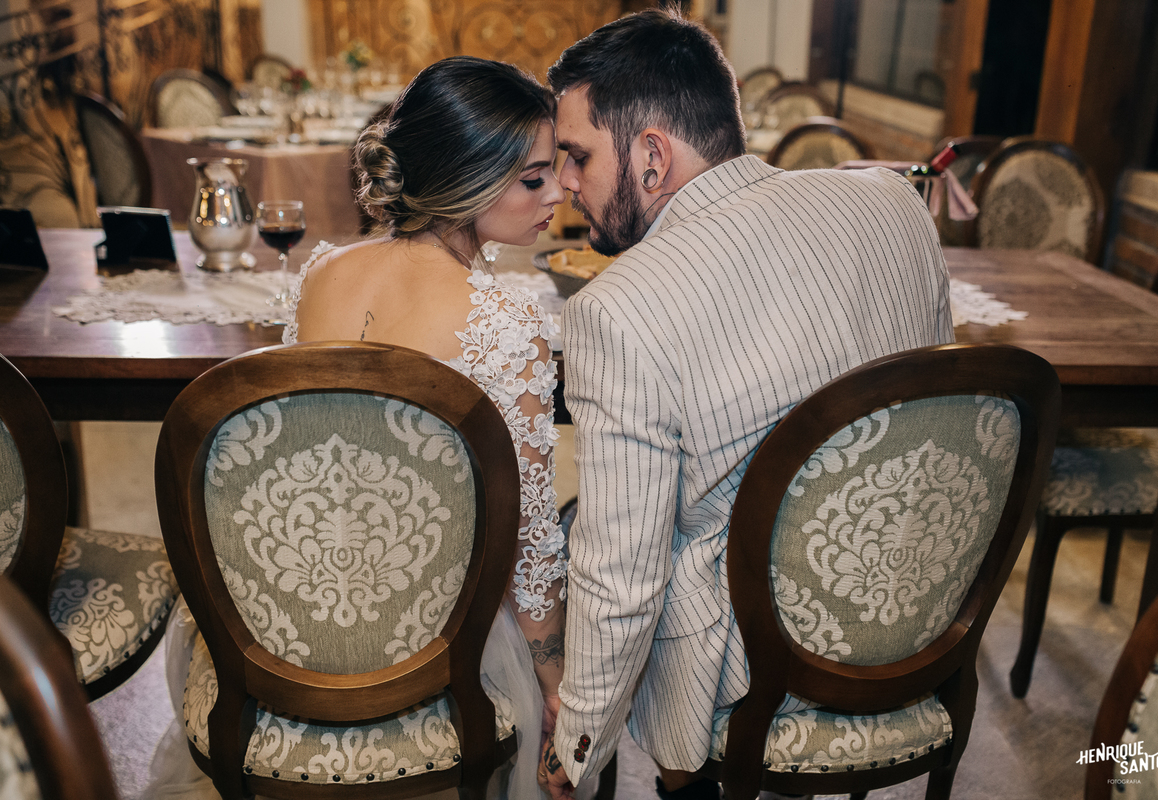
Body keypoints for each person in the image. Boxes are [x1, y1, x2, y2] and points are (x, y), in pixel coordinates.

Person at [537, 9, 955, 800]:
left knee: (606, 532)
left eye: (578, 155)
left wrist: (579, 743)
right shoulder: (897, 203)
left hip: (761, 668)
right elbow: (941, 413)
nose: (564, 182)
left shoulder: (618, 309)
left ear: (652, 156)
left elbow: (622, 575)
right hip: (920, 613)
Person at [142, 56, 568, 800]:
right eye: (534, 178)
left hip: (285, 627)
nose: (559, 192)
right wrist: (554, 679)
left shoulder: (322, 274)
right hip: (431, 644)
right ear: (465, 180)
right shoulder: (510, 323)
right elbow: (530, 542)